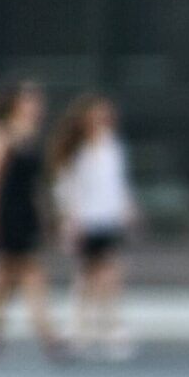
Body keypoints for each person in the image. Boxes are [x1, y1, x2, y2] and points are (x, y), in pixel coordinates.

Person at [50, 92, 138, 361]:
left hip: (107, 218)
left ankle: (109, 326)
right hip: (85, 220)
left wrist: (128, 208)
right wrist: (69, 220)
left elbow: (117, 183)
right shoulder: (76, 149)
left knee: (110, 272)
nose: (101, 120)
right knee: (87, 276)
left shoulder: (112, 146)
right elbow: (66, 188)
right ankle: (84, 327)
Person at [0, 80, 68, 362]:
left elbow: (35, 185)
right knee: (25, 274)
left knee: (4, 277)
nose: (35, 106)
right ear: (15, 103)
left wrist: (46, 217)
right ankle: (48, 335)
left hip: (25, 215)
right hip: (6, 215)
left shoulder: (30, 136)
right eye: (29, 100)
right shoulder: (1, 135)